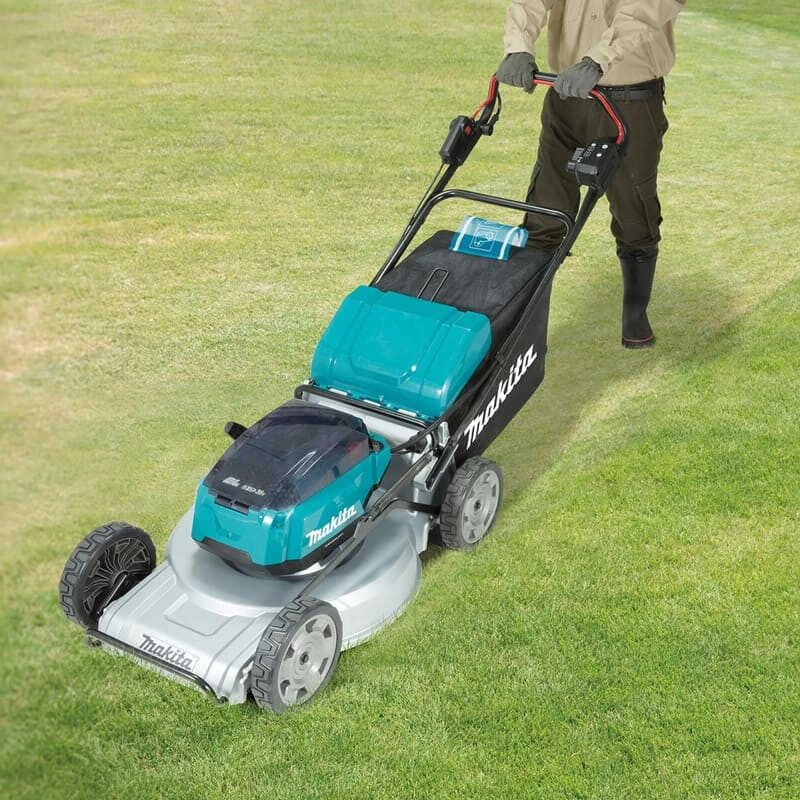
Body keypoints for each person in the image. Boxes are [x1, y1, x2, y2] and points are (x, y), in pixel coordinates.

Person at [496, 0, 685, 348]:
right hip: (566, 96)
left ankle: (635, 314)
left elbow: (644, 11)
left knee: (634, 210)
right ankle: (521, 328)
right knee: (545, 209)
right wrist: (519, 46)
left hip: (629, 101)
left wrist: (597, 59)